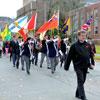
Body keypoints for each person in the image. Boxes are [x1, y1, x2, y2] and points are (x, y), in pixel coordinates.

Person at [64, 30, 94, 100]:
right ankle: (83, 96)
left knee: (83, 80)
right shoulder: (74, 46)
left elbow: (89, 56)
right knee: (80, 79)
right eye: (82, 35)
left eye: (84, 35)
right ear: (78, 36)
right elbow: (69, 57)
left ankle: (78, 93)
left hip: (85, 66)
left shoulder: (88, 45)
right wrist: (66, 67)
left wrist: (90, 65)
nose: (84, 37)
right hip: (77, 66)